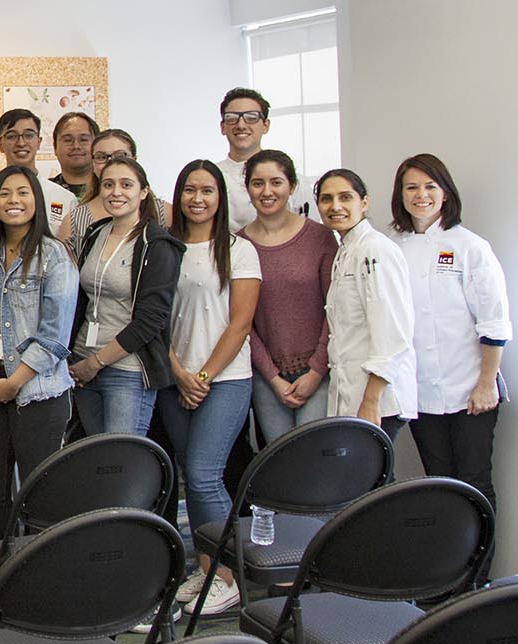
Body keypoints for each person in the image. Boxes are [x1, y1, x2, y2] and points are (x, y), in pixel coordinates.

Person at [0, 165, 78, 563]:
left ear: (36, 201)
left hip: (38, 393)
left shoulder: (54, 256)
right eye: (5, 194)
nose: (14, 201)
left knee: (40, 491)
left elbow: (55, 335)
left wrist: (16, 381)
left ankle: (43, 573)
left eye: (23, 193)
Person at [158, 160, 261, 616]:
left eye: (207, 191)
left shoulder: (239, 249)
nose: (197, 199)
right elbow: (154, 318)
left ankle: (226, 576)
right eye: (189, 190)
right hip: (173, 378)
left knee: (204, 475)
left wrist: (202, 377)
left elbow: (240, 323)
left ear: (220, 198)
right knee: (191, 476)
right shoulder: (163, 247)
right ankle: (205, 567)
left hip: (224, 381)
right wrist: (178, 371)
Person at [391, 154, 509, 506]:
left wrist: (486, 384)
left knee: (475, 482)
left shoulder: (470, 246)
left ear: (445, 193)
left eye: (430, 186)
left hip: (470, 389)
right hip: (421, 391)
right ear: (400, 194)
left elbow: (494, 321)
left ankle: (480, 563)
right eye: (411, 187)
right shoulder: (392, 247)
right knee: (439, 483)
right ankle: (451, 563)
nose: (421, 194)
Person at [68, 156, 183, 436]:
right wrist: (78, 360)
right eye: (108, 184)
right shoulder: (96, 233)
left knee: (122, 462)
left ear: (143, 192)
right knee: (97, 462)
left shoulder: (157, 245)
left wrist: (96, 363)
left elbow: (151, 321)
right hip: (83, 362)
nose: (115, 192)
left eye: (126, 185)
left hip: (127, 368)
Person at [238, 149, 336, 442]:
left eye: (276, 182)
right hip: (267, 378)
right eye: (258, 183)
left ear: (292, 186)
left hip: (319, 372)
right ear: (248, 188)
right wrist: (272, 377)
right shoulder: (238, 245)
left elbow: (336, 309)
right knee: (279, 464)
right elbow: (242, 321)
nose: (267, 191)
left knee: (314, 458)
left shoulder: (320, 237)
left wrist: (316, 371)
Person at [316, 169, 416, 440]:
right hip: (352, 394)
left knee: (373, 481)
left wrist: (371, 401)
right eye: (326, 199)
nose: (335, 206)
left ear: (364, 202)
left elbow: (392, 335)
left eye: (345, 197)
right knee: (363, 480)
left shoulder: (375, 250)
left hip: (377, 398)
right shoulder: (346, 250)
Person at [60, 129, 171, 254]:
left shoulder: (163, 212)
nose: (111, 163)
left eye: (120, 156)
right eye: (101, 157)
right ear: (93, 163)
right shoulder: (75, 220)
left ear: (134, 159)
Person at [214, 88, 310, 228]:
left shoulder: (294, 180)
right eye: (232, 118)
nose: (241, 125)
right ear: (222, 127)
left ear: (266, 125)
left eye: (251, 118)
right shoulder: (211, 177)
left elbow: (309, 230)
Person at [0, 109, 78, 235]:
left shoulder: (64, 198)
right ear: (0, 144)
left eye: (29, 135)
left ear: (39, 142)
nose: (21, 143)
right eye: (11, 136)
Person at [50, 111, 100, 199]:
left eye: (83, 140)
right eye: (68, 140)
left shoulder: (110, 191)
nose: (76, 146)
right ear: (55, 147)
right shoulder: (43, 192)